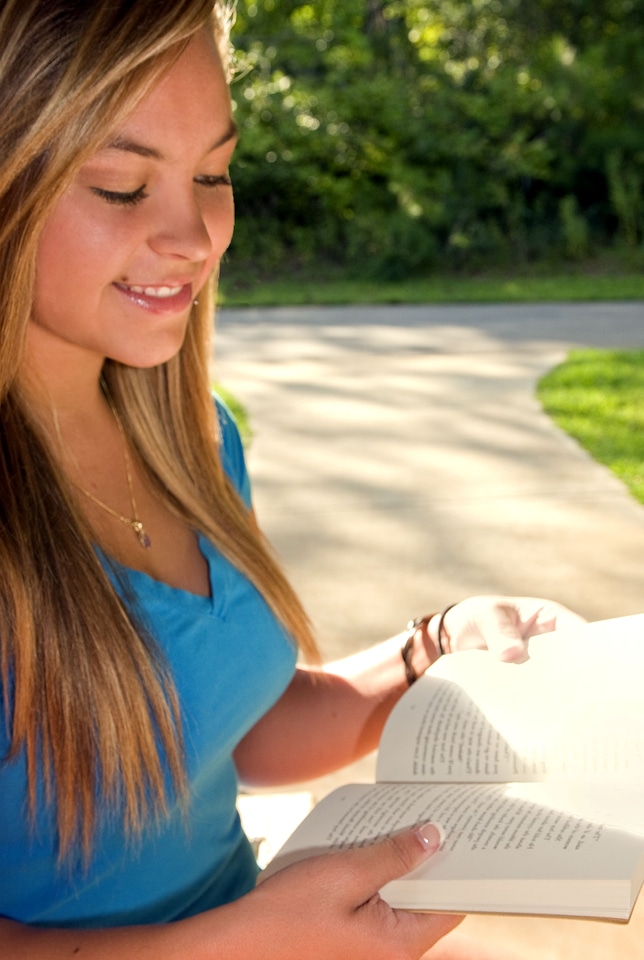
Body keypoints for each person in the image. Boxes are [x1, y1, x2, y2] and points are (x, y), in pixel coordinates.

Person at [0, 1, 586, 957]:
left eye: (212, 174)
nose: (196, 235)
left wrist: (429, 653)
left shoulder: (196, 437)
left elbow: (239, 723)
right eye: (119, 186)